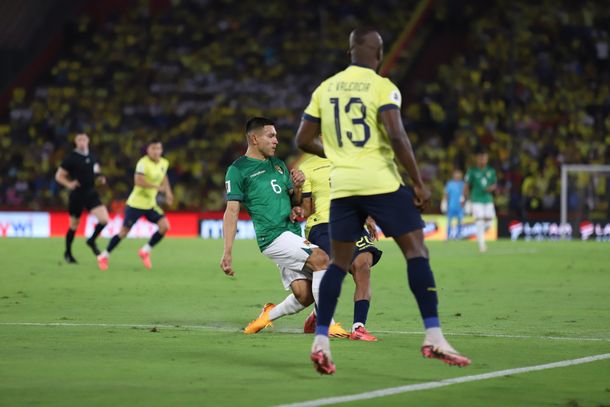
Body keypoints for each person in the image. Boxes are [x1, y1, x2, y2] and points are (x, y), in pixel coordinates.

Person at [296, 27, 471, 375]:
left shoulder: (325, 88)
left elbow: (303, 138)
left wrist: (335, 152)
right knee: (416, 251)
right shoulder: (383, 87)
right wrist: (418, 183)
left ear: (350, 51)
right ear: (378, 54)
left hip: (343, 185)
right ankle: (434, 336)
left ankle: (320, 342)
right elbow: (395, 133)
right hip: (379, 182)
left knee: (337, 263)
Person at [220, 117, 349, 337]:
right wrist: (227, 251)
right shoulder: (238, 169)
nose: (276, 141)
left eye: (276, 136)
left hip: (291, 233)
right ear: (254, 138)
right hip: (272, 236)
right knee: (321, 259)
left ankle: (265, 317)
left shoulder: (278, 165)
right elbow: (232, 211)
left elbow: (295, 203)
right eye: (270, 136)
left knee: (305, 295)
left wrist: (297, 188)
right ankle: (327, 323)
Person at [299, 151, 382, 341]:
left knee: (363, 264)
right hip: (322, 225)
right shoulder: (307, 166)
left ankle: (359, 327)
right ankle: (320, 314)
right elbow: (306, 208)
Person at [96, 140, 173, 270]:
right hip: (135, 204)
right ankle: (104, 256)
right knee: (124, 232)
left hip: (150, 204)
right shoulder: (142, 163)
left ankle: (145, 251)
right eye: (153, 148)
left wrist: (168, 193)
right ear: (148, 150)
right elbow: (138, 181)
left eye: (158, 148)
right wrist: (156, 187)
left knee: (165, 226)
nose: (156, 151)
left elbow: (164, 176)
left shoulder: (164, 163)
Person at [55, 133, 109, 264]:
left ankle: (91, 241)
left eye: (84, 139)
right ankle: (68, 252)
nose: (82, 142)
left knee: (104, 220)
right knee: (74, 225)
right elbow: (59, 176)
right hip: (77, 195)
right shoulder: (71, 158)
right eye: (79, 140)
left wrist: (100, 178)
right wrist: (69, 184)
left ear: (88, 141)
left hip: (90, 193)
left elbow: (96, 172)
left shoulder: (92, 156)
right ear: (75, 142)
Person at [464, 150, 497, 252]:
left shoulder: (491, 171)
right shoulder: (472, 171)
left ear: (487, 159)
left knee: (490, 221)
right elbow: (466, 186)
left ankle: (479, 232)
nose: (483, 160)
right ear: (477, 159)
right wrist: (466, 199)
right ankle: (482, 245)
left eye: (484, 158)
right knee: (479, 221)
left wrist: (491, 188)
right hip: (476, 199)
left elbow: (494, 184)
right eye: (481, 158)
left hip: (488, 199)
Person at [442, 169, 465, 240]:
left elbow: (465, 194)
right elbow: (446, 194)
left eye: (459, 175)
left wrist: (467, 202)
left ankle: (459, 236)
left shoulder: (463, 184)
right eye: (456, 175)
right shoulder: (450, 184)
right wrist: (444, 202)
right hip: (451, 206)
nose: (457, 176)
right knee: (449, 221)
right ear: (454, 176)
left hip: (460, 207)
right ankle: (448, 236)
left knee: (460, 221)